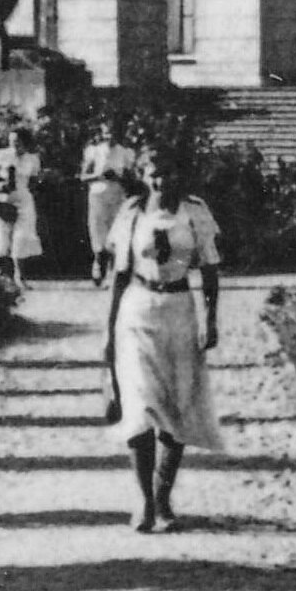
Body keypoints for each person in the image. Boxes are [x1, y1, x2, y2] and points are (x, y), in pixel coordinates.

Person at [98, 156, 225, 532]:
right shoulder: (132, 213)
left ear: (179, 175)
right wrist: (108, 331)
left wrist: (210, 319)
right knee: (139, 405)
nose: (161, 180)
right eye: (154, 173)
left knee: (175, 405)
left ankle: (163, 497)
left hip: (179, 311)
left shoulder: (194, 212)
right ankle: (145, 502)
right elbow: (119, 276)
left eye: (168, 172)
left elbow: (210, 269)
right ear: (143, 176)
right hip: (138, 311)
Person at [0, 128, 44, 297]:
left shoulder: (33, 159)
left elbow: (34, 180)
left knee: (22, 238)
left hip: (23, 200)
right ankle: (3, 278)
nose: (14, 145)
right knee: (1, 241)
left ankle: (20, 277)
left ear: (26, 142)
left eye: (18, 142)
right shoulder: (0, 154)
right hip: (2, 198)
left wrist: (30, 188)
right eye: (12, 141)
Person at [80, 131, 140, 288]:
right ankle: (98, 265)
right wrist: (100, 175)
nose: (110, 136)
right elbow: (83, 177)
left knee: (116, 233)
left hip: (117, 196)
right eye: (107, 133)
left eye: (114, 132)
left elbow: (132, 179)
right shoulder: (94, 151)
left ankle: (112, 273)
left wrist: (118, 177)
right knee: (99, 232)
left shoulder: (125, 153)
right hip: (98, 197)